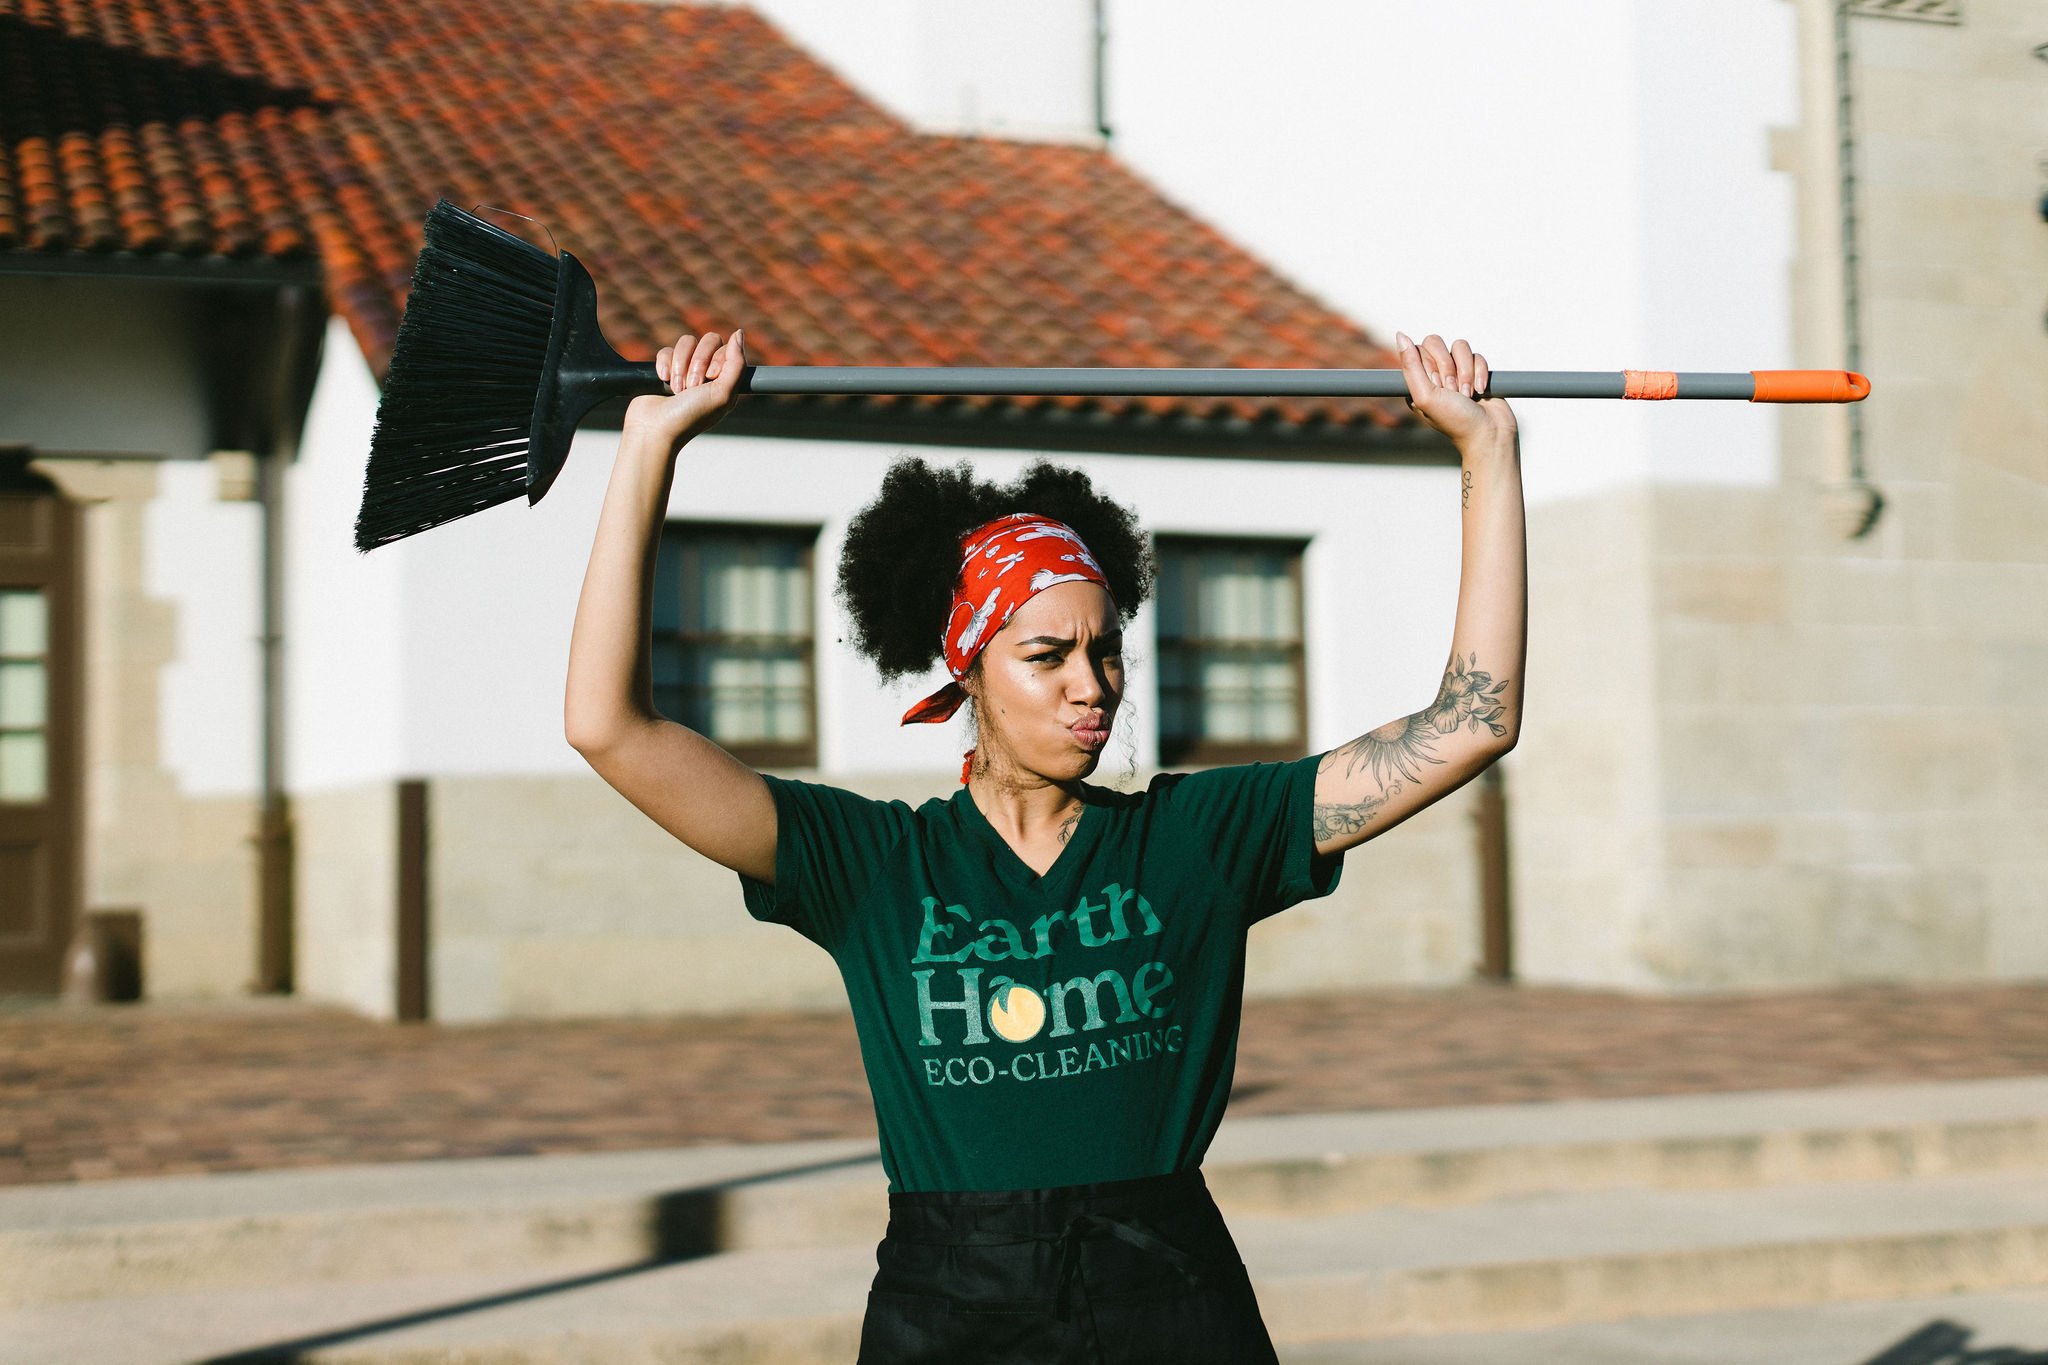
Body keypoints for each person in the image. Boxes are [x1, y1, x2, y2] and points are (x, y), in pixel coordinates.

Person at [565, 326, 1525, 1362]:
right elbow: (606, 727)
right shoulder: (872, 867)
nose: (1092, 684)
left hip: (1170, 1299)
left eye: (1106, 651)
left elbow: (1471, 722)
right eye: (1046, 653)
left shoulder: (1197, 837)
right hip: (947, 1310)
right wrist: (648, 447)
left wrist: (1485, 453)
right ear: (968, 668)